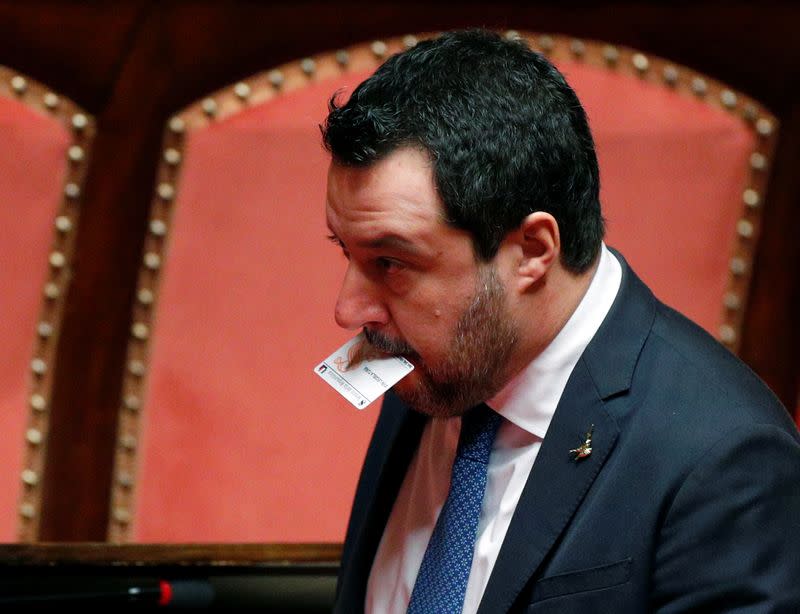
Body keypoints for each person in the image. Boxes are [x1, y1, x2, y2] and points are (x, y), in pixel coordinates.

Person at [320, 29, 800, 613]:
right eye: (348, 253)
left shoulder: (724, 461)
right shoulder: (437, 359)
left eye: (391, 262)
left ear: (532, 250)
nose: (349, 310)